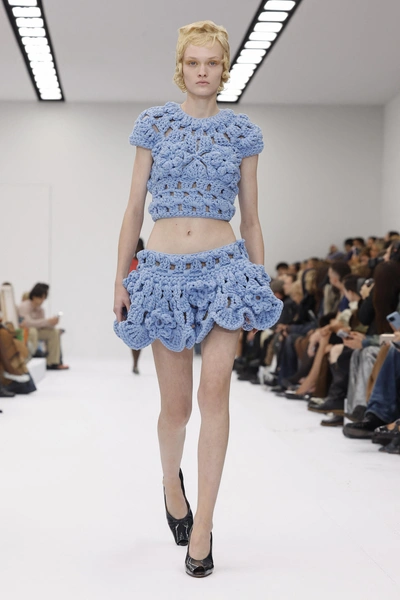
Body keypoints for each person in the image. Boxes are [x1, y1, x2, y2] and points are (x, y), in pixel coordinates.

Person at [113, 20, 283, 578]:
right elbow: (133, 209)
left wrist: (256, 281)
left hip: (225, 272)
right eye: (193, 62)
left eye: (212, 63)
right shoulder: (154, 125)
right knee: (177, 409)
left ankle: (204, 526)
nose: (202, 72)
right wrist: (121, 277)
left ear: (224, 69)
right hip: (162, 274)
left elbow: (252, 219)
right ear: (181, 67)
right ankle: (172, 485)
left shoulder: (242, 133)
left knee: (215, 397)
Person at [18, 283, 69, 371]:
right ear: (34, 296)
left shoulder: (40, 310)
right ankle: (30, 359)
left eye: (44, 298)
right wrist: (46, 322)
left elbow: (41, 325)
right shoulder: (24, 306)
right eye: (41, 297)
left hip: (37, 331)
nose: (42, 300)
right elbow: (27, 323)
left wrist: (51, 323)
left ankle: (52, 362)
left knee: (54, 332)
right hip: (25, 331)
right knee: (32, 331)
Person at [128, 238, 145, 374]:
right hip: (133, 302)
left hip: (146, 301)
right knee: (136, 333)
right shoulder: (130, 263)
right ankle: (135, 363)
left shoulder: (146, 262)